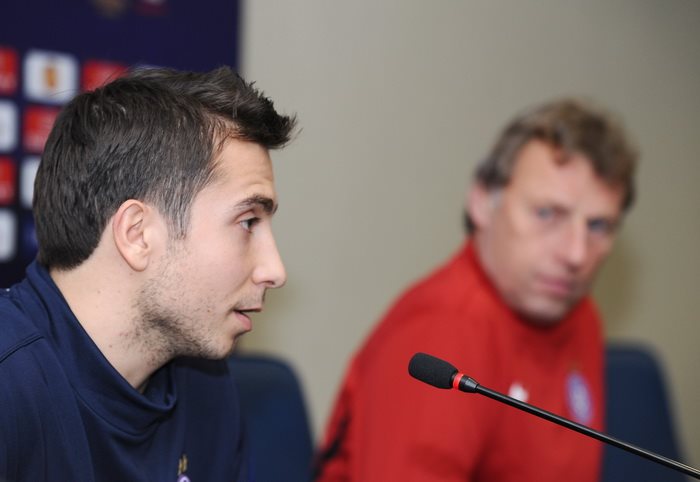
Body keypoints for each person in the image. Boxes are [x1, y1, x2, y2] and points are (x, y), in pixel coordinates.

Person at [315, 99, 637, 482]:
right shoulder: (441, 332)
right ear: (482, 202)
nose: (576, 254)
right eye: (547, 213)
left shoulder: (580, 315)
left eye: (598, 226)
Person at [0, 66, 296, 481]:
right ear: (137, 234)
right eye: (248, 222)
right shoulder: (10, 384)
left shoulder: (206, 387)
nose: (275, 271)